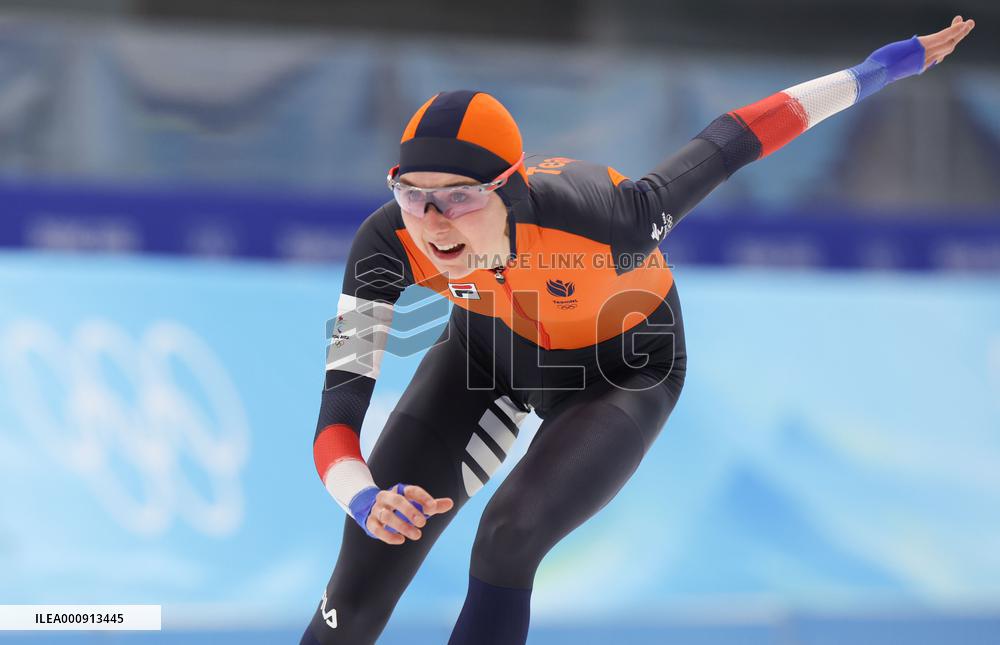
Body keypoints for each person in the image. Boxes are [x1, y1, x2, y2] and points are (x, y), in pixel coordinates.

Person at [301, 17, 975, 645]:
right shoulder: (384, 246)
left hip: (622, 372)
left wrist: (884, 67)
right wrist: (363, 498)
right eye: (414, 194)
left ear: (506, 188)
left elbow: (736, 138)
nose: (433, 222)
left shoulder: (608, 220)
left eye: (459, 197)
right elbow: (337, 417)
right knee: (358, 581)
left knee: (509, 536)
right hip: (488, 356)